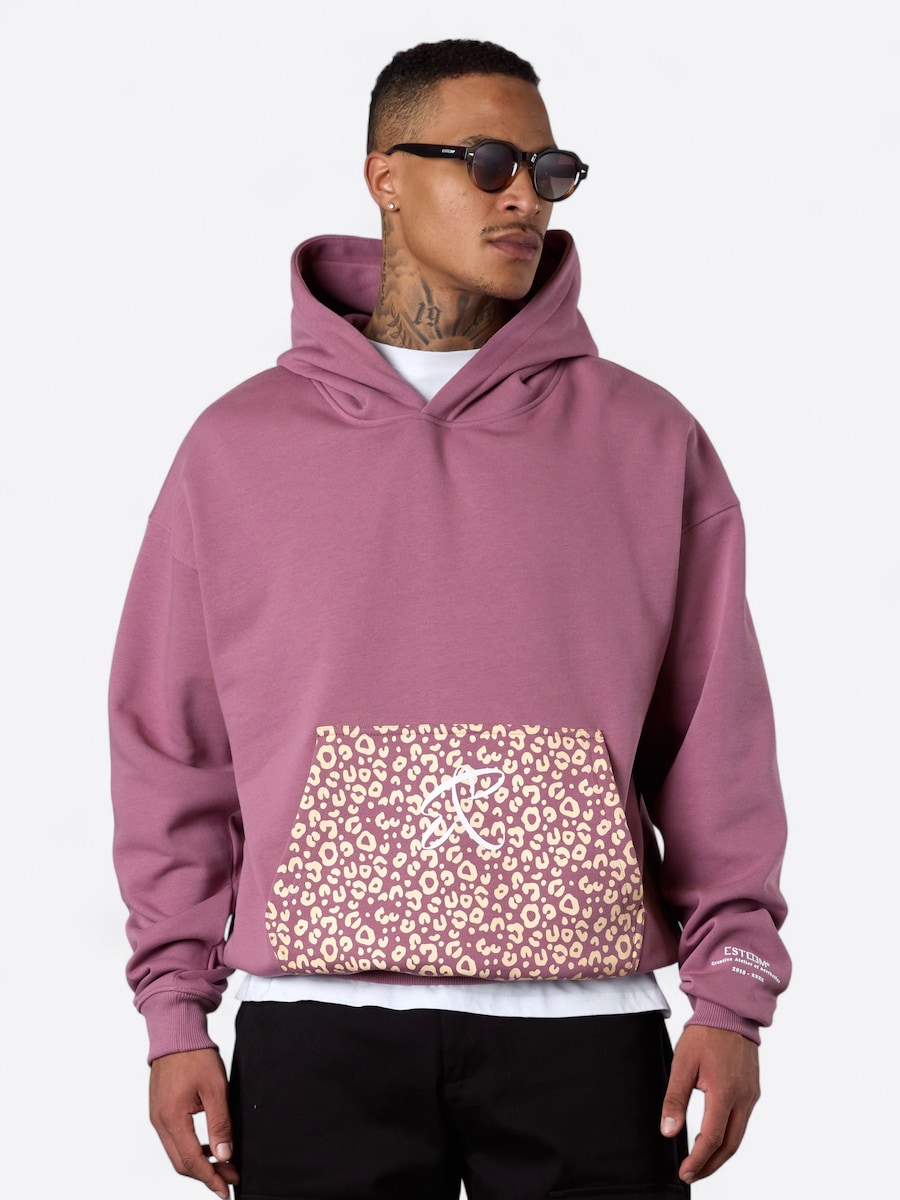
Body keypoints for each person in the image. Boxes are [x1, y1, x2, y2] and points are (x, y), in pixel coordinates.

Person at [110, 37, 790, 1200]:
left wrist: (731, 996)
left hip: (588, 1034)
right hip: (316, 1029)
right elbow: (170, 745)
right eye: (486, 162)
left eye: (548, 168)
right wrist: (175, 1012)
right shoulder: (238, 448)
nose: (523, 195)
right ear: (384, 176)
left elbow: (713, 739)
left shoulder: (645, 439)